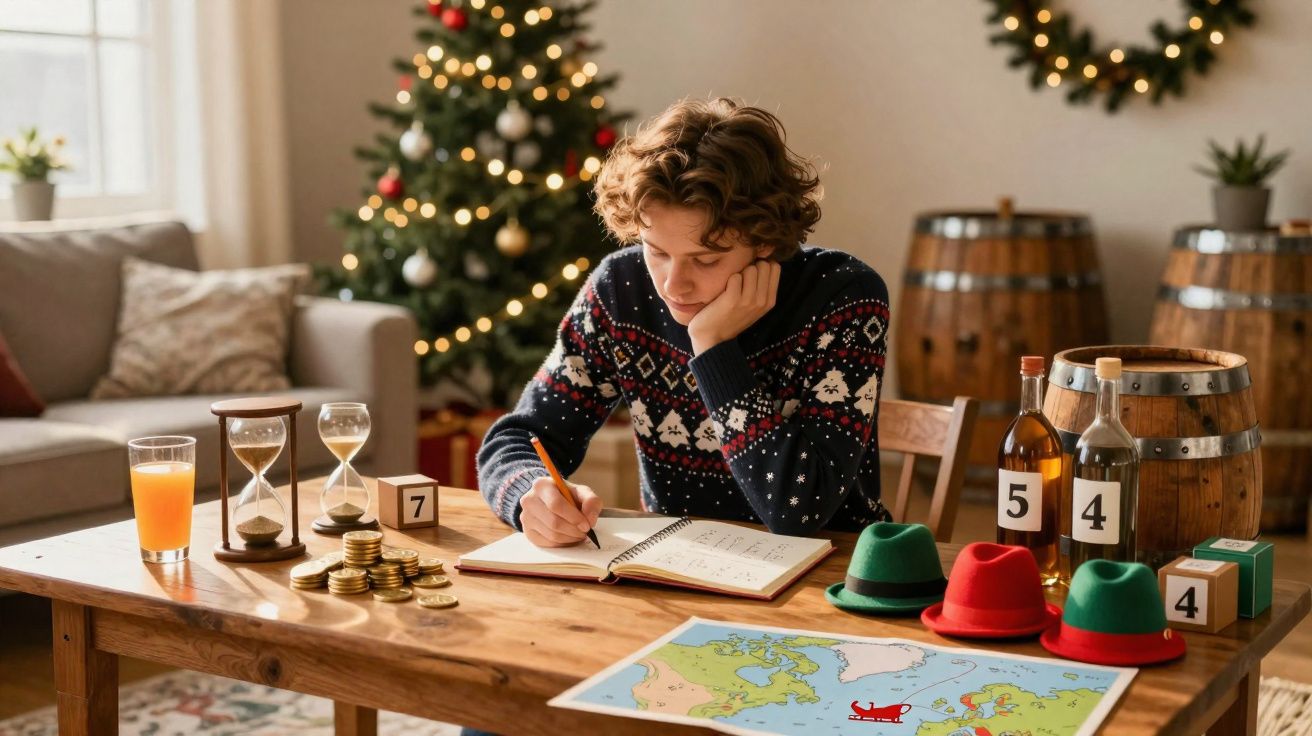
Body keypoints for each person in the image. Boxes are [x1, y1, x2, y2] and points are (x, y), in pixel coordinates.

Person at [475, 96, 891, 548]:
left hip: (831, 569)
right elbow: (516, 439)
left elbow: (799, 511)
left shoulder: (843, 298)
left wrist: (712, 348)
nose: (674, 285)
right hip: (676, 564)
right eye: (656, 252)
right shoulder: (621, 289)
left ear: (764, 243)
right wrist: (529, 496)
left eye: (705, 259)